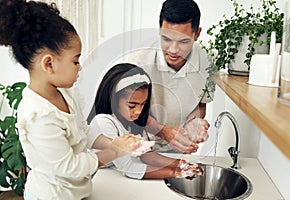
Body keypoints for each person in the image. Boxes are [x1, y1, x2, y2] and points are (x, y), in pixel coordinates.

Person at [0, 1, 146, 199]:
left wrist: (113, 143)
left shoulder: (66, 93)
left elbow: (83, 131)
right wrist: (116, 152)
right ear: (49, 63)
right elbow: (70, 167)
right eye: (75, 61)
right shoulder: (39, 116)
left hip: (76, 192)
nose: (80, 67)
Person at [88, 63, 204, 179]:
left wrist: (180, 163)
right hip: (98, 178)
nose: (138, 111)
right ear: (113, 99)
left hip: (113, 175)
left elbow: (147, 155)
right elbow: (128, 167)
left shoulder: (131, 120)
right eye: (132, 105)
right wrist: (176, 172)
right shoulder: (103, 122)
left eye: (142, 104)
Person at [126, 0, 211, 153]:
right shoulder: (138, 60)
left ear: (197, 34)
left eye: (183, 41)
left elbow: (201, 105)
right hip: (139, 143)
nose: (173, 50)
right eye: (166, 39)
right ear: (160, 30)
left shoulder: (209, 62)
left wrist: (194, 122)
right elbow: (127, 109)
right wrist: (163, 131)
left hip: (179, 145)